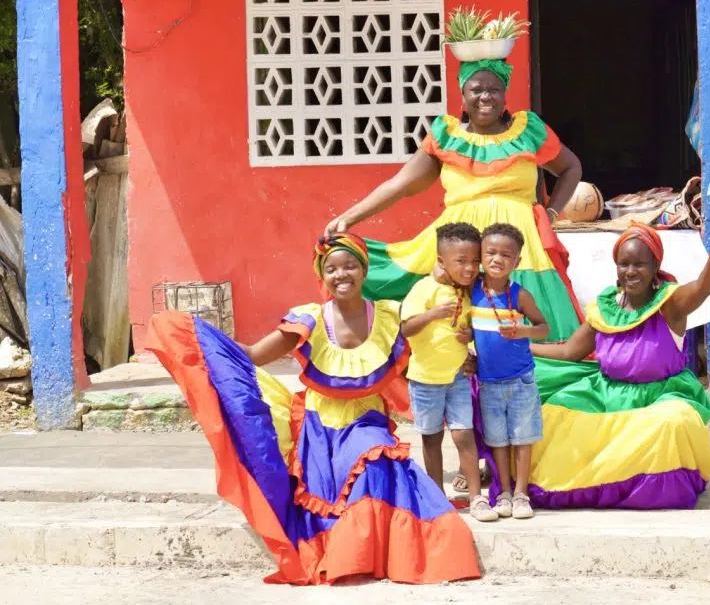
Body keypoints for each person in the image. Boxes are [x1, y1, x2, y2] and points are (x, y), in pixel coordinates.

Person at [146, 233, 480, 585]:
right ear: (322, 275)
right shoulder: (310, 320)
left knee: (374, 463)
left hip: (367, 421)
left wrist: (464, 361)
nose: (342, 275)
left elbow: (426, 353)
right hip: (319, 427)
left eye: (350, 266)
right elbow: (254, 355)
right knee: (329, 485)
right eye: (332, 268)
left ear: (364, 271)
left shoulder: (388, 316)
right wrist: (199, 339)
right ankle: (347, 554)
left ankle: (364, 556)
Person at [324, 55, 585, 493]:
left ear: (506, 94)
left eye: (493, 89)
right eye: (475, 89)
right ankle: (477, 462)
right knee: (463, 353)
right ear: (462, 96)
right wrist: (349, 218)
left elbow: (570, 167)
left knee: (520, 350)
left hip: (520, 256)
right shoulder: (445, 135)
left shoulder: (530, 130)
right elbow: (401, 184)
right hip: (456, 255)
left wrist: (552, 213)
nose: (485, 96)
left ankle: (533, 462)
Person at [529, 222, 710, 510]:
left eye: (639, 265)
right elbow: (571, 351)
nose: (630, 271)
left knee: (673, 422)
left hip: (660, 395)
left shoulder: (670, 304)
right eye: (624, 264)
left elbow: (701, 288)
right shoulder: (606, 308)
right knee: (554, 413)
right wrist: (520, 347)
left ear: (655, 265)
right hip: (605, 394)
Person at [400, 222, 496, 522]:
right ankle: (436, 496)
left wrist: (469, 342)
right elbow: (405, 329)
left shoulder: (467, 293)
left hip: (457, 377)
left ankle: (476, 497)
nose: (469, 268)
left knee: (463, 435)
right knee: (430, 438)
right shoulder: (424, 289)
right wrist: (431, 314)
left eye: (473, 261)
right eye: (461, 262)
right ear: (441, 261)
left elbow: (468, 329)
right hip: (425, 379)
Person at [470, 223, 549, 519]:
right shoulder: (473, 291)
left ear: (517, 261)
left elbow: (544, 327)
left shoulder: (520, 295)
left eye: (506, 255)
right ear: (480, 255)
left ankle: (521, 494)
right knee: (498, 442)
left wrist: (523, 330)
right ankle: (503, 492)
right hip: (489, 382)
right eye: (490, 252)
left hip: (521, 381)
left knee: (522, 439)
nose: (497, 259)